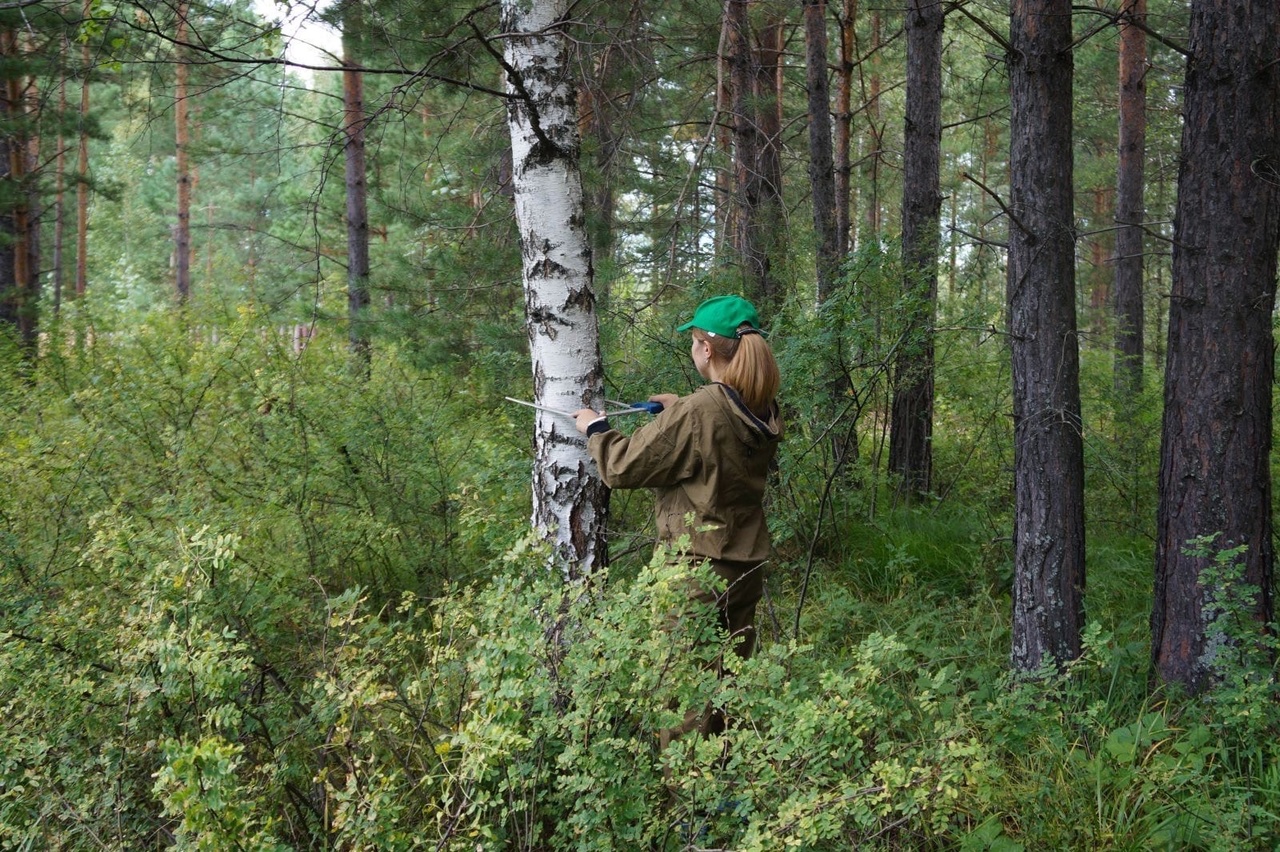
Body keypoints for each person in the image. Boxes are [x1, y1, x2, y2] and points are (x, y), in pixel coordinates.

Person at [573, 294, 783, 740]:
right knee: (728, 682)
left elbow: (622, 466)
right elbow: (714, 430)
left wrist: (596, 429)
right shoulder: (762, 406)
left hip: (695, 572)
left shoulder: (700, 410)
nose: (692, 349)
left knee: (682, 693)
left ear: (707, 349)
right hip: (745, 564)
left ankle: (686, 803)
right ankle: (725, 785)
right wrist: (680, 409)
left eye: (693, 340)